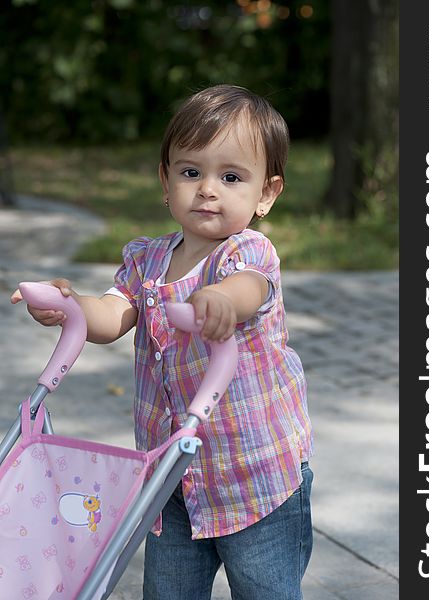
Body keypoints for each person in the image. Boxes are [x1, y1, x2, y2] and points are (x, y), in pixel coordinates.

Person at [11, 84, 314, 600]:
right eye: (191, 172)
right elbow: (111, 315)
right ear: (165, 179)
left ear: (266, 194)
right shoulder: (146, 259)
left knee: (266, 590)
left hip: (256, 476)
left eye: (231, 176)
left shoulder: (248, 255)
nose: (208, 189)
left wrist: (220, 299)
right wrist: (70, 306)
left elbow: (248, 289)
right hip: (170, 476)